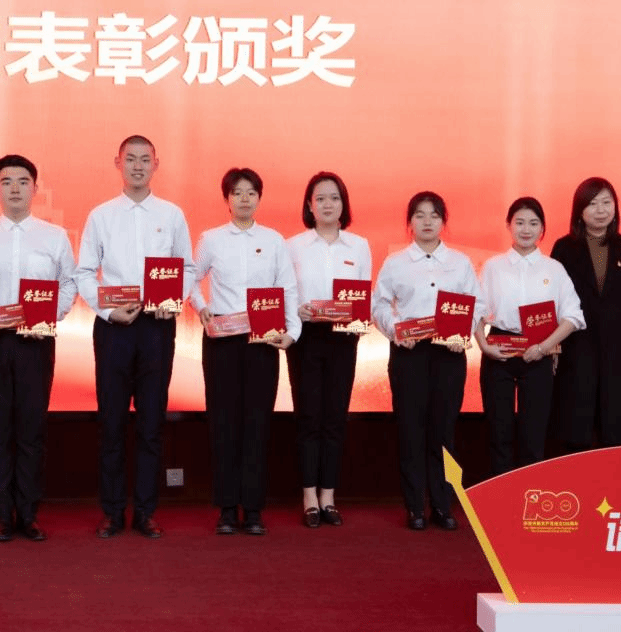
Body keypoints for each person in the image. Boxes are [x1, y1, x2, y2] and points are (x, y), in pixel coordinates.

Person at [0, 154, 77, 543]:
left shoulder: (54, 236)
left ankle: (29, 513)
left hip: (35, 343)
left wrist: (49, 317)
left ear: (35, 189)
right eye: (6, 182)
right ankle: (2, 514)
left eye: (23, 182)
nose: (15, 189)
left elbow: (69, 283)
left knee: (31, 429)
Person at [75, 134, 195, 539]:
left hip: (156, 327)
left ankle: (145, 511)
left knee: (151, 421)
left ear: (156, 165)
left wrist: (172, 300)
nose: (138, 166)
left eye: (146, 159)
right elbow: (83, 272)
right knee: (111, 421)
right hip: (114, 327)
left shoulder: (172, 214)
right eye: (131, 159)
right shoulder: (101, 215)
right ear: (118, 163)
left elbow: (188, 268)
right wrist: (107, 310)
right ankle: (112, 511)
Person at [191, 167, 299, 536]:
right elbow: (190, 277)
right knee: (223, 422)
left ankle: (253, 509)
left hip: (262, 340)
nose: (244, 199)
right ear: (227, 199)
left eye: (251, 192)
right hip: (221, 338)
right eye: (237, 192)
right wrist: (201, 306)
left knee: (257, 422)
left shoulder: (274, 240)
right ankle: (226, 508)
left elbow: (287, 287)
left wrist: (292, 332)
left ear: (259, 198)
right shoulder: (211, 239)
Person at [371, 191, 483, 532]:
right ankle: (414, 506)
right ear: (410, 222)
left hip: (448, 355)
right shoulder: (396, 263)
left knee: (443, 431)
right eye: (419, 215)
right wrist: (395, 331)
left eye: (434, 215)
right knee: (410, 430)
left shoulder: (460, 262)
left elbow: (477, 304)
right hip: (409, 354)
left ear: (443, 222)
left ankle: (443, 505)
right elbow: (378, 305)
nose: (427, 221)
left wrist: (462, 334)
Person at [474, 197, 585, 476]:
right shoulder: (493, 266)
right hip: (498, 350)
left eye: (533, 223)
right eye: (520, 222)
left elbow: (573, 316)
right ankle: (499, 493)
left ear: (542, 229)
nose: (526, 229)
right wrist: (484, 346)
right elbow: (476, 311)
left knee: (533, 433)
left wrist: (545, 347)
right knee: (498, 431)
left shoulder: (554, 268)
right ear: (509, 226)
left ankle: (529, 493)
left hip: (539, 351)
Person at [285, 172, 371, 528]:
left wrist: (357, 319)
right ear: (309, 205)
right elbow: (285, 292)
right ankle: (308, 496)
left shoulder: (359, 246)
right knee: (309, 417)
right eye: (320, 198)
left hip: (342, 338)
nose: (327, 204)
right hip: (305, 337)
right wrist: (297, 310)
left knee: (335, 417)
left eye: (334, 198)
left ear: (343, 204)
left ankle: (328, 497)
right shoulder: (293, 246)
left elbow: (363, 297)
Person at [549, 177, 621, 452]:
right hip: (576, 343)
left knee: (618, 422)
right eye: (593, 204)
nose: (601, 210)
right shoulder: (563, 248)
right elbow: (553, 301)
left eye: (607, 202)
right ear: (579, 210)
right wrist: (553, 345)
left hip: (618, 345)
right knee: (574, 421)